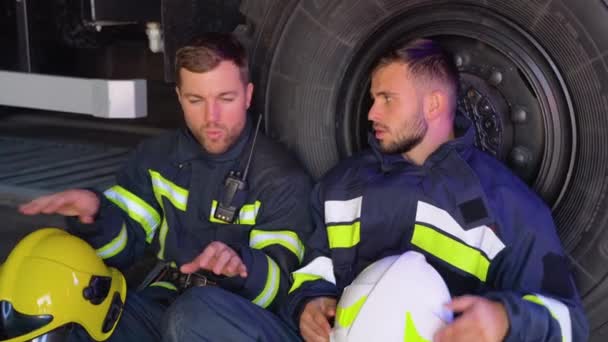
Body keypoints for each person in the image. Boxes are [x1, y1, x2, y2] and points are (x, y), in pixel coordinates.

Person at [282, 39, 588, 342]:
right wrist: (308, 304)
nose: (372, 113)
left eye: (387, 99)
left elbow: (570, 326)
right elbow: (312, 269)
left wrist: (506, 320)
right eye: (374, 99)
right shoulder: (339, 185)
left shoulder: (510, 208)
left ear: (434, 104)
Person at [19, 32, 310, 342]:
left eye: (226, 99)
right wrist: (97, 214)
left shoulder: (281, 177)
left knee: (190, 316)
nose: (211, 117)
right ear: (179, 97)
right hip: (163, 301)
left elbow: (281, 289)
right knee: (79, 314)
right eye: (196, 100)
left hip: (235, 317)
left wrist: (241, 266)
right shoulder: (156, 157)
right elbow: (122, 250)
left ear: (248, 95)